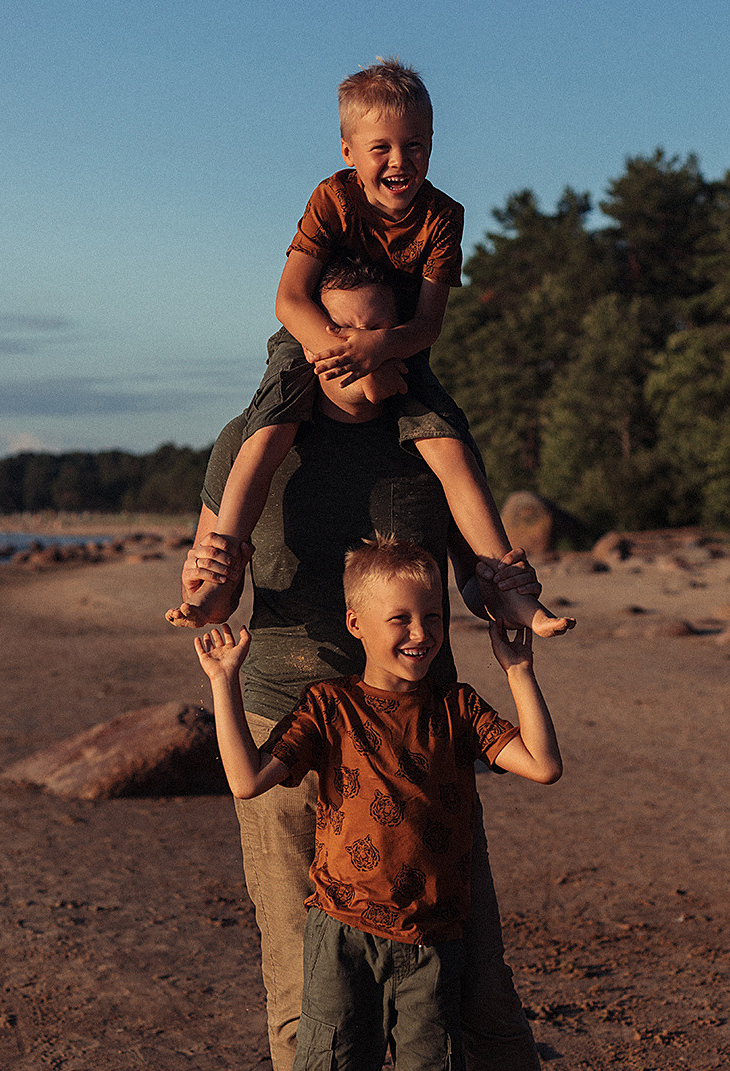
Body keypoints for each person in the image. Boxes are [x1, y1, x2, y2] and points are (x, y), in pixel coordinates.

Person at [170, 261, 568, 1071]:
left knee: (479, 990)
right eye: (330, 331)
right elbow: (212, 563)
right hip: (290, 720)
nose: (349, 351)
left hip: (419, 742)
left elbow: (483, 568)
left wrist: (521, 608)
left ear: (400, 338)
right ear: (305, 338)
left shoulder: (422, 435)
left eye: (371, 333)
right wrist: (204, 594)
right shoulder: (255, 442)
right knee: (305, 991)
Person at [194, 537, 564, 1071]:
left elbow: (541, 764)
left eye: (432, 617)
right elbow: (246, 779)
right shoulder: (328, 707)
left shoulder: (456, 709)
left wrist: (518, 669)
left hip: (434, 944)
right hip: (339, 939)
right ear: (356, 624)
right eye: (399, 618)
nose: (420, 633)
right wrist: (225, 684)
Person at [186, 57, 567, 640]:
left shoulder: (444, 217)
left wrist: (378, 352)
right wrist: (339, 353)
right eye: (380, 147)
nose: (398, 161)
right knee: (266, 430)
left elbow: (429, 324)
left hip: (397, 340)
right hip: (314, 332)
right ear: (348, 151)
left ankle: (506, 588)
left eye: (414, 145)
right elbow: (289, 300)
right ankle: (218, 568)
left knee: (449, 441)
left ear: (433, 143)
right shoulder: (332, 200)